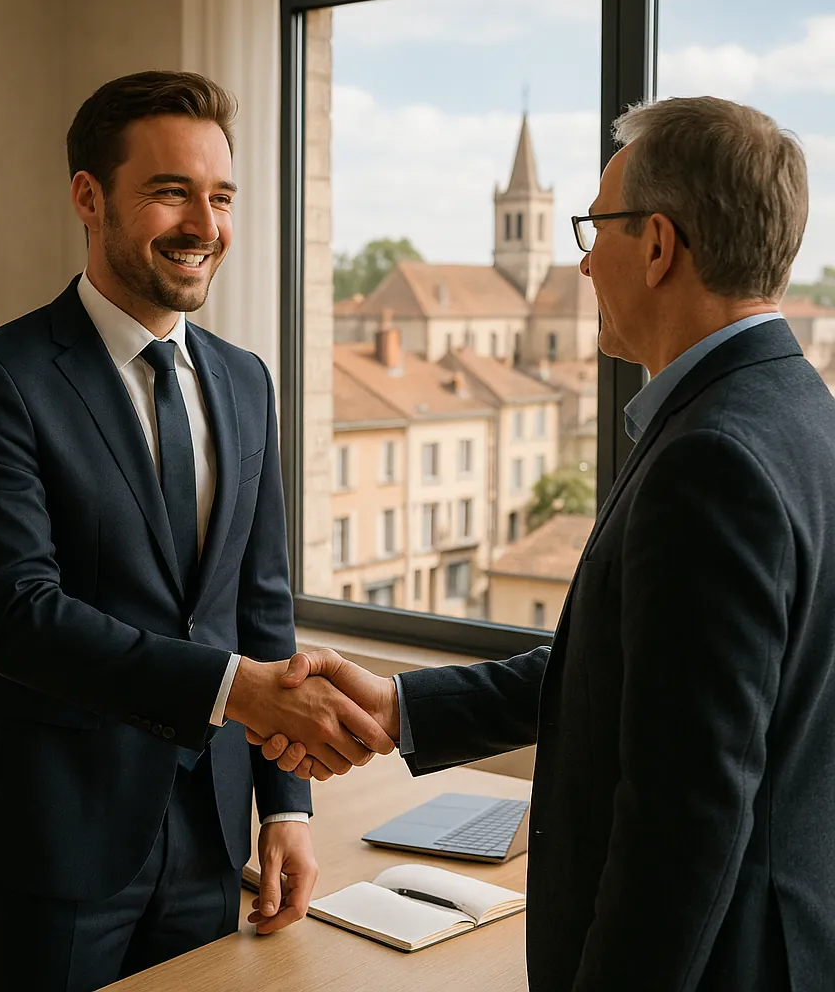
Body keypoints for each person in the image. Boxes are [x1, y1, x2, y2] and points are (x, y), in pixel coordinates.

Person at [253, 96, 835, 991]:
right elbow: (630, 672)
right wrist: (404, 708)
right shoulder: (800, 414)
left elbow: (683, 824)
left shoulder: (712, 460)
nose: (582, 257)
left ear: (656, 245)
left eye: (595, 227)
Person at [0, 70, 393, 992]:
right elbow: (20, 615)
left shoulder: (247, 380)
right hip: (56, 834)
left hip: (211, 833)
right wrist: (238, 690)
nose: (204, 225)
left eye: (219, 196)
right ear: (88, 198)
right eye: (170, 190)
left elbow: (259, 601)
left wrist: (286, 809)